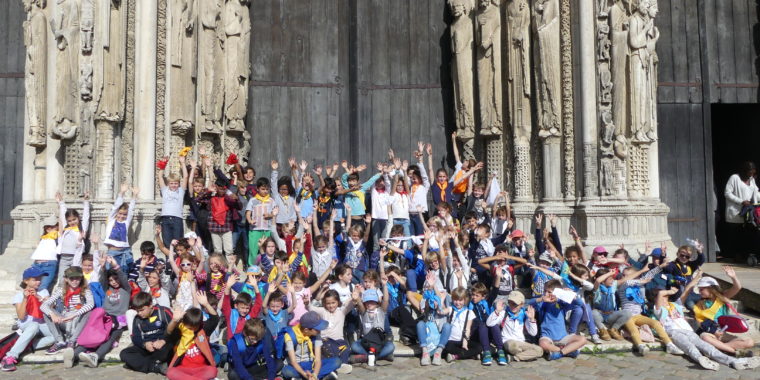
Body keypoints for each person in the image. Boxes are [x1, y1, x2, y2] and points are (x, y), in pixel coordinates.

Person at [652, 277, 760, 371]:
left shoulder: (675, 306)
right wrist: (669, 291)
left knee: (708, 347)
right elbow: (661, 297)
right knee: (692, 345)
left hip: (695, 331)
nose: (699, 291)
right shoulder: (659, 310)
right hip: (680, 331)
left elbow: (686, 292)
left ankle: (733, 361)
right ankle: (702, 358)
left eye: (701, 289)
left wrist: (696, 279)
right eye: (663, 297)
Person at [0, 267, 55, 372]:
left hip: (43, 323)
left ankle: (27, 346)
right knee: (33, 326)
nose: (39, 281)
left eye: (40, 279)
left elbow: (51, 308)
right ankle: (10, 357)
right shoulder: (19, 296)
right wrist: (25, 298)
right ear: (26, 281)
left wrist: (39, 297)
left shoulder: (44, 292)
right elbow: (21, 316)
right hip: (27, 325)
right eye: (35, 279)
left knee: (56, 336)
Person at [692, 267, 755, 357]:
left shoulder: (722, 297)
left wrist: (733, 277)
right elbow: (700, 323)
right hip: (710, 333)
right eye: (699, 289)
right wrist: (714, 332)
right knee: (705, 337)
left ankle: (718, 350)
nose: (699, 291)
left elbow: (737, 287)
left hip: (723, 332)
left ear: (710, 288)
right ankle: (732, 351)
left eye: (702, 289)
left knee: (750, 342)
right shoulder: (700, 304)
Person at [40, 266, 95, 354]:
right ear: (66, 279)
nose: (74, 281)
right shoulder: (61, 290)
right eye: (71, 278)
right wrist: (52, 314)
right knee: (46, 312)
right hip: (64, 320)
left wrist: (75, 315)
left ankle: (72, 341)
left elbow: (91, 304)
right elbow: (43, 305)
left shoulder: (85, 290)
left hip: (78, 320)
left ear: (81, 278)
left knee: (88, 312)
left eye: (77, 278)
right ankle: (60, 341)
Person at [529, 279, 587, 360]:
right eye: (545, 291)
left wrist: (571, 295)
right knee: (543, 344)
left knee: (583, 339)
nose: (546, 294)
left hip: (563, 337)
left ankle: (559, 354)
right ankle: (567, 351)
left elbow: (579, 304)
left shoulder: (561, 303)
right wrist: (541, 299)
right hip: (547, 337)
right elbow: (527, 303)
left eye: (549, 292)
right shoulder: (542, 303)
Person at [281, 311, 341, 380]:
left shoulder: (316, 334)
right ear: (306, 330)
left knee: (337, 361)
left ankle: (309, 378)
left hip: (311, 364)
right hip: (296, 366)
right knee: (286, 371)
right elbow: (293, 361)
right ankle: (320, 376)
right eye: (317, 329)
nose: (320, 331)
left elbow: (318, 359)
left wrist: (315, 375)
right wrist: (305, 374)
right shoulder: (289, 336)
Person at [486, 291, 543, 362]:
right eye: (510, 303)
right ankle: (526, 355)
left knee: (539, 350)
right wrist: (497, 311)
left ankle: (514, 357)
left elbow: (533, 333)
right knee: (513, 346)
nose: (513, 306)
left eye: (515, 304)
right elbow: (489, 323)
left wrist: (531, 319)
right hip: (508, 342)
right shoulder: (504, 313)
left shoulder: (525, 315)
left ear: (521, 304)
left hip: (521, 342)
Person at [722, 161, 760, 262]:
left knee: (746, 236)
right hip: (735, 213)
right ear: (744, 171)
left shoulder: (751, 180)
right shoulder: (735, 178)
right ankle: (734, 256)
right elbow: (727, 193)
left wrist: (756, 205)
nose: (751, 175)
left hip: (747, 213)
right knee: (735, 236)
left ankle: (744, 256)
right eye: (749, 172)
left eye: (753, 172)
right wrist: (741, 201)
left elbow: (755, 192)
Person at [54, 191, 90, 283]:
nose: (72, 222)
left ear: (78, 218)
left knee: (75, 278)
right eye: (69, 220)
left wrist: (86, 202)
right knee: (62, 279)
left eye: (74, 219)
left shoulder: (81, 229)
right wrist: (61, 202)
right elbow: (63, 214)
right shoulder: (66, 228)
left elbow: (86, 217)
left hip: (75, 257)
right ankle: (62, 295)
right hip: (64, 257)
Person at [157, 154, 190, 248]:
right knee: (167, 242)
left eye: (176, 183)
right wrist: (163, 164)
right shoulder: (165, 190)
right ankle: (169, 260)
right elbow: (160, 177)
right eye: (172, 183)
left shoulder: (180, 191)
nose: (174, 185)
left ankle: (178, 260)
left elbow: (186, 177)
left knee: (179, 242)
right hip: (165, 218)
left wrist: (182, 163)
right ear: (168, 183)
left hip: (177, 219)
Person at [103, 184, 138, 272]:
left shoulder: (126, 222)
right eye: (120, 213)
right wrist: (122, 193)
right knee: (110, 271)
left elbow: (131, 210)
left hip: (124, 251)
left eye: (124, 214)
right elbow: (115, 207)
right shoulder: (111, 220)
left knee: (123, 273)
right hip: (112, 252)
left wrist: (134, 196)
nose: (122, 216)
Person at [441, 287, 479, 363]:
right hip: (451, 340)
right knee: (448, 347)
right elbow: (441, 312)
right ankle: (471, 355)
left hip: (462, 340)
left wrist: (465, 342)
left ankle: (455, 356)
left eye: (460, 300)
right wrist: (442, 301)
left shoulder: (469, 312)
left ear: (465, 300)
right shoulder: (451, 309)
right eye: (455, 300)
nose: (458, 302)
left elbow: (468, 328)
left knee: (479, 347)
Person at [29, 214, 61, 292]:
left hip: (48, 265)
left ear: (57, 227)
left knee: (42, 286)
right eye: (47, 226)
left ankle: (41, 303)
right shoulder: (43, 237)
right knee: (30, 285)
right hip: (36, 264)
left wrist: (61, 205)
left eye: (52, 226)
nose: (49, 228)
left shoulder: (58, 236)